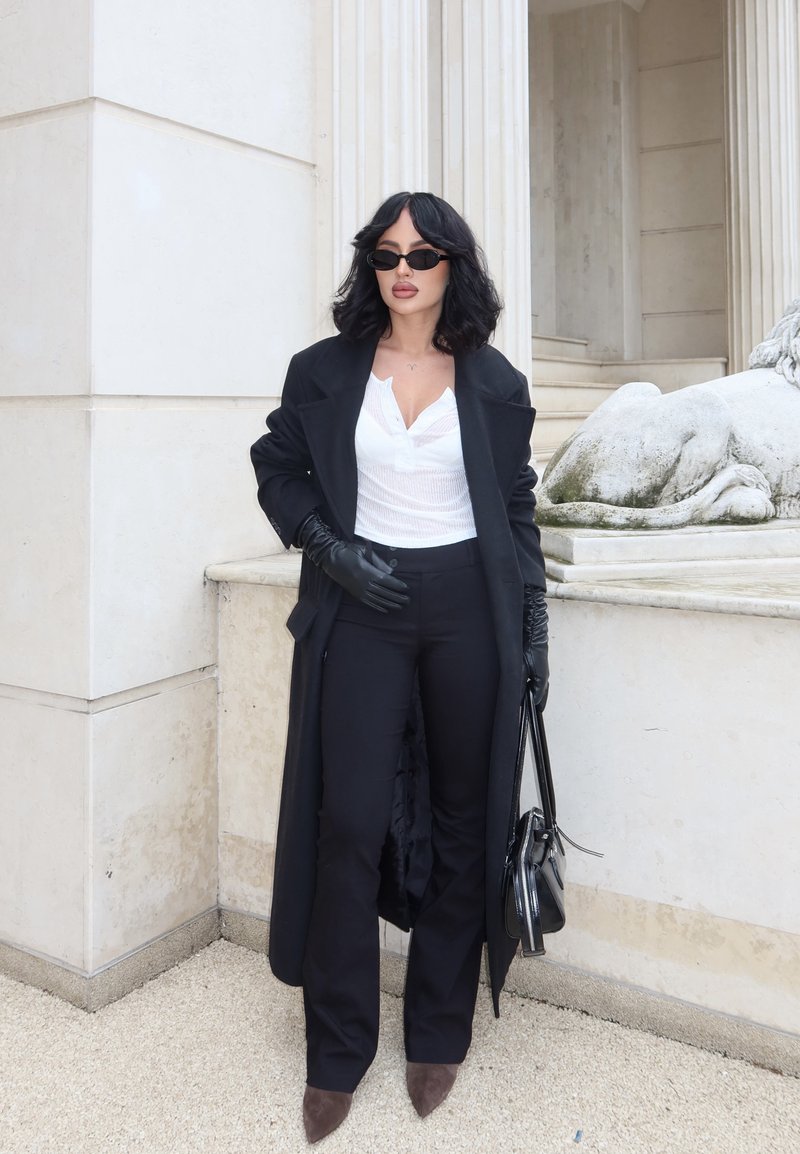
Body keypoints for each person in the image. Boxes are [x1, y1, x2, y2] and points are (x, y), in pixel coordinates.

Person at [250, 191, 549, 1143]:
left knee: (467, 816)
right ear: (370, 268)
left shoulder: (496, 384)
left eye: (423, 252)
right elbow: (277, 467)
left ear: (453, 264)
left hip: (470, 608)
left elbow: (516, 512)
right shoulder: (325, 372)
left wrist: (533, 633)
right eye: (386, 255)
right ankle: (337, 1048)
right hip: (362, 607)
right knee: (349, 823)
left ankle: (438, 1032)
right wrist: (327, 548)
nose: (403, 268)